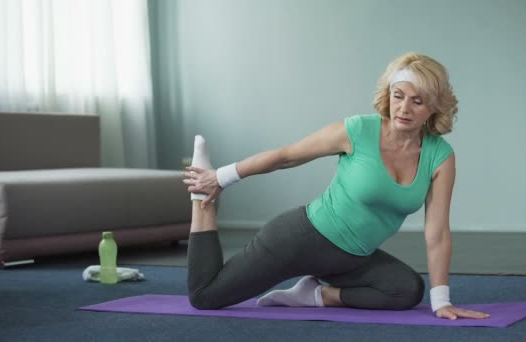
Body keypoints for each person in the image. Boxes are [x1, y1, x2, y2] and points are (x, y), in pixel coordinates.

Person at [182, 52, 490, 320]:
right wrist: (220, 177)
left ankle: (316, 295)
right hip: (299, 240)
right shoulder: (357, 130)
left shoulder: (440, 156)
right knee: (205, 296)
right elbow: (287, 156)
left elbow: (437, 233)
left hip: (352, 259)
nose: (404, 108)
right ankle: (201, 198)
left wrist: (442, 302)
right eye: (398, 96)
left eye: (417, 101)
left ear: (434, 107)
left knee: (407, 290)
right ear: (389, 95)